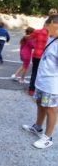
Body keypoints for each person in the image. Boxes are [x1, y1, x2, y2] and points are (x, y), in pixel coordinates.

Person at [22, 15, 58, 149]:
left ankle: (48, 138)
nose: (46, 30)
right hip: (42, 80)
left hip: (52, 84)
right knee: (40, 104)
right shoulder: (51, 38)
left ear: (54, 23)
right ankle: (37, 127)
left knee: (51, 109)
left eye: (48, 27)